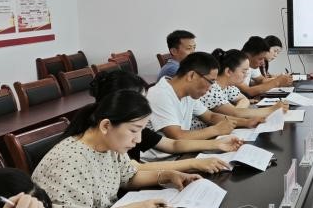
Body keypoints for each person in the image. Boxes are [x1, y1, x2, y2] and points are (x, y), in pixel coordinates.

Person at [31, 90, 202, 208]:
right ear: (106, 126)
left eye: (141, 130)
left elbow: (128, 177)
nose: (138, 139)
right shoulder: (70, 160)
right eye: (134, 130)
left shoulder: (110, 145)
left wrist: (167, 175)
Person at [88, 71, 240, 169]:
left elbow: (173, 144)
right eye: (140, 100)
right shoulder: (111, 131)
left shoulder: (133, 126)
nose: (145, 105)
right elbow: (136, 169)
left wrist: (217, 144)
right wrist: (192, 163)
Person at [146, 52, 247, 143]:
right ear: (192, 75)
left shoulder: (189, 93)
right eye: (211, 82)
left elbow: (210, 116)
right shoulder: (160, 94)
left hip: (182, 149)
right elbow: (177, 136)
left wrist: (247, 122)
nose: (211, 88)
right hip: (164, 156)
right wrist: (216, 130)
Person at [193, 48, 287, 129]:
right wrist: (272, 110)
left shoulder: (228, 86)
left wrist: (237, 112)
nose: (246, 75)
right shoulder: (211, 88)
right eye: (243, 71)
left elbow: (243, 100)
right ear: (228, 71)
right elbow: (234, 113)